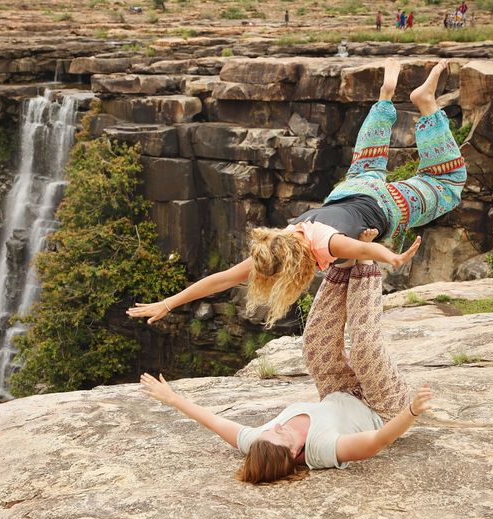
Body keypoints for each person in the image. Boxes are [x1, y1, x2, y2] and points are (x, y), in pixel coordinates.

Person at [127, 60, 466, 328]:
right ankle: (385, 96)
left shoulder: (325, 245)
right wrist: (168, 303)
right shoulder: (287, 236)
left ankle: (424, 104)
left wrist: (390, 257)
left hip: (390, 205)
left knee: (449, 183)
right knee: (370, 160)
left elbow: (359, 247)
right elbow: (220, 280)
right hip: (352, 189)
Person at [139, 260, 434, 483]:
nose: (275, 427)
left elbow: (216, 422)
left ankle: (343, 265)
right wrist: (411, 411)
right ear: (294, 454)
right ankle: (366, 264)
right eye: (280, 434)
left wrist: (172, 398)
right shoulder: (322, 449)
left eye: (268, 431)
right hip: (382, 406)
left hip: (339, 391)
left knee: (314, 348)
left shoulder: (262, 442)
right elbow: (377, 441)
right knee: (364, 350)